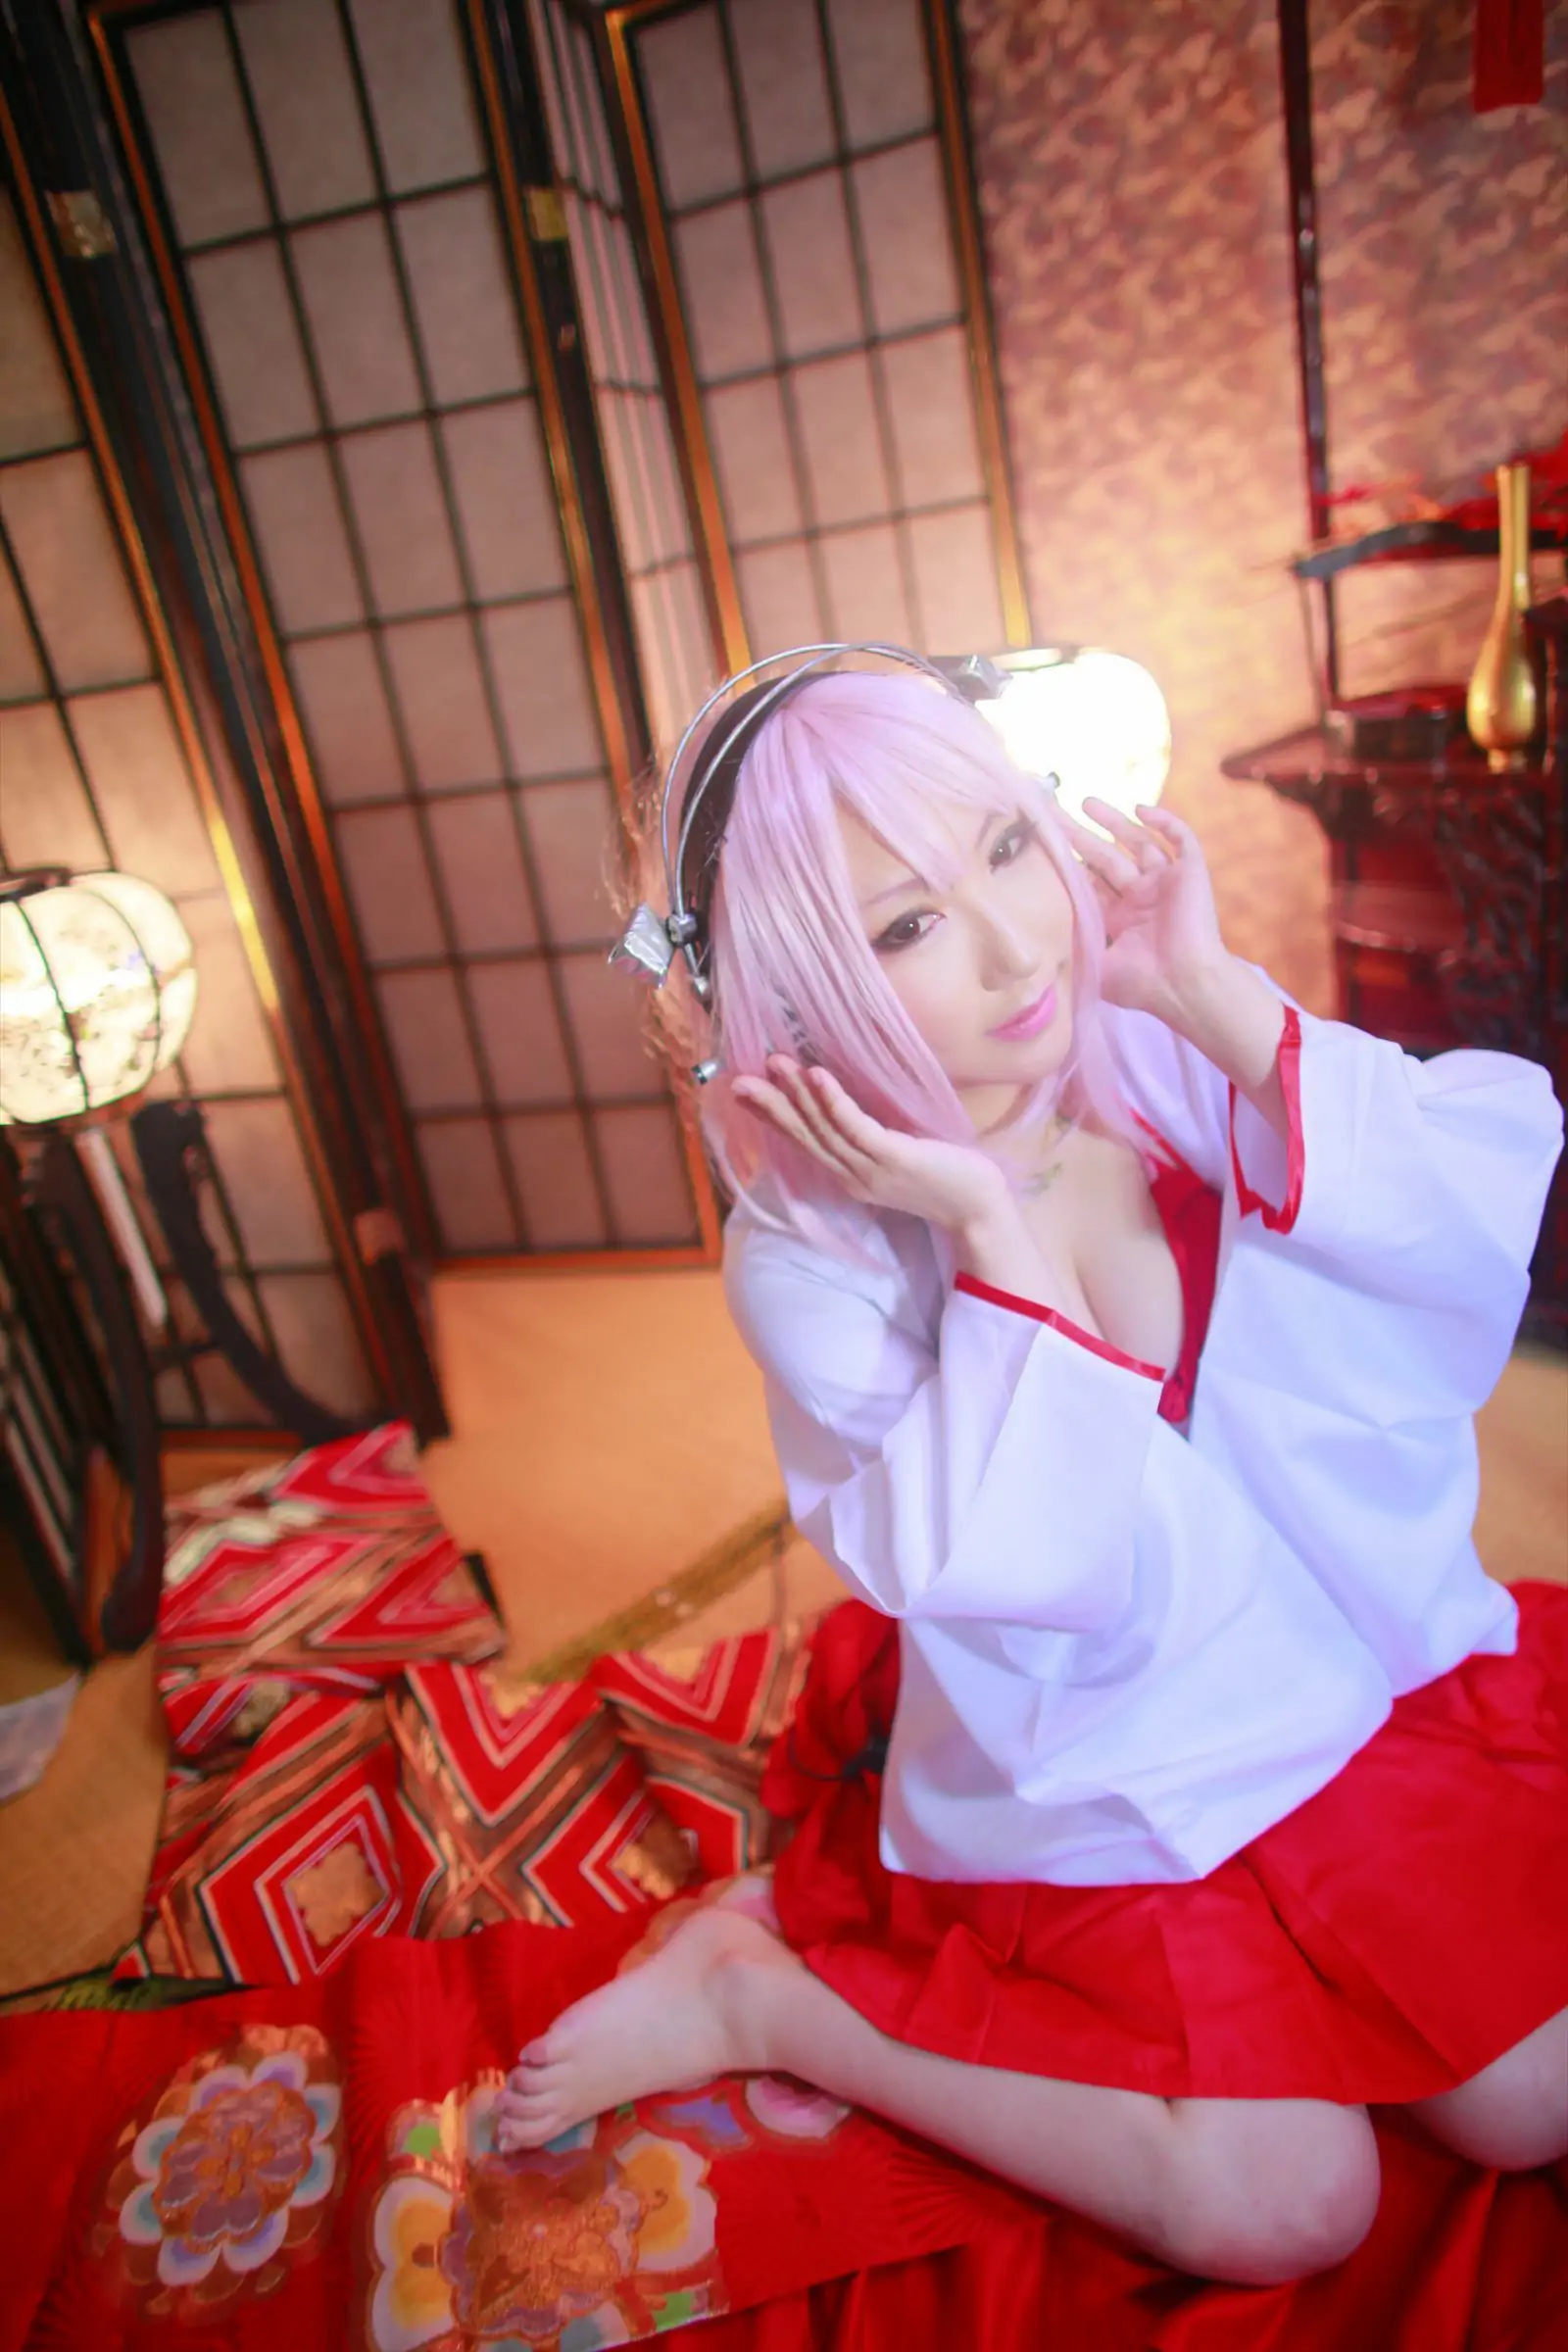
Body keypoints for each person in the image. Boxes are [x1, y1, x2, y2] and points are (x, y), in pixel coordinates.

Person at [494, 658, 1568, 2287]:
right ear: (797, 994)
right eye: (909, 925)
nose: (1017, 948)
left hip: (1328, 1658)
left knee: (1533, 2094)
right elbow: (1027, 1571)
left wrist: (1205, 988)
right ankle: (767, 2004)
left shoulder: (1138, 1043)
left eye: (1008, 845)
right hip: (1097, 1747)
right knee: (1284, 2206)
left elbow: (1436, 1237)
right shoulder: (810, 1254)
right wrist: (989, 1226)